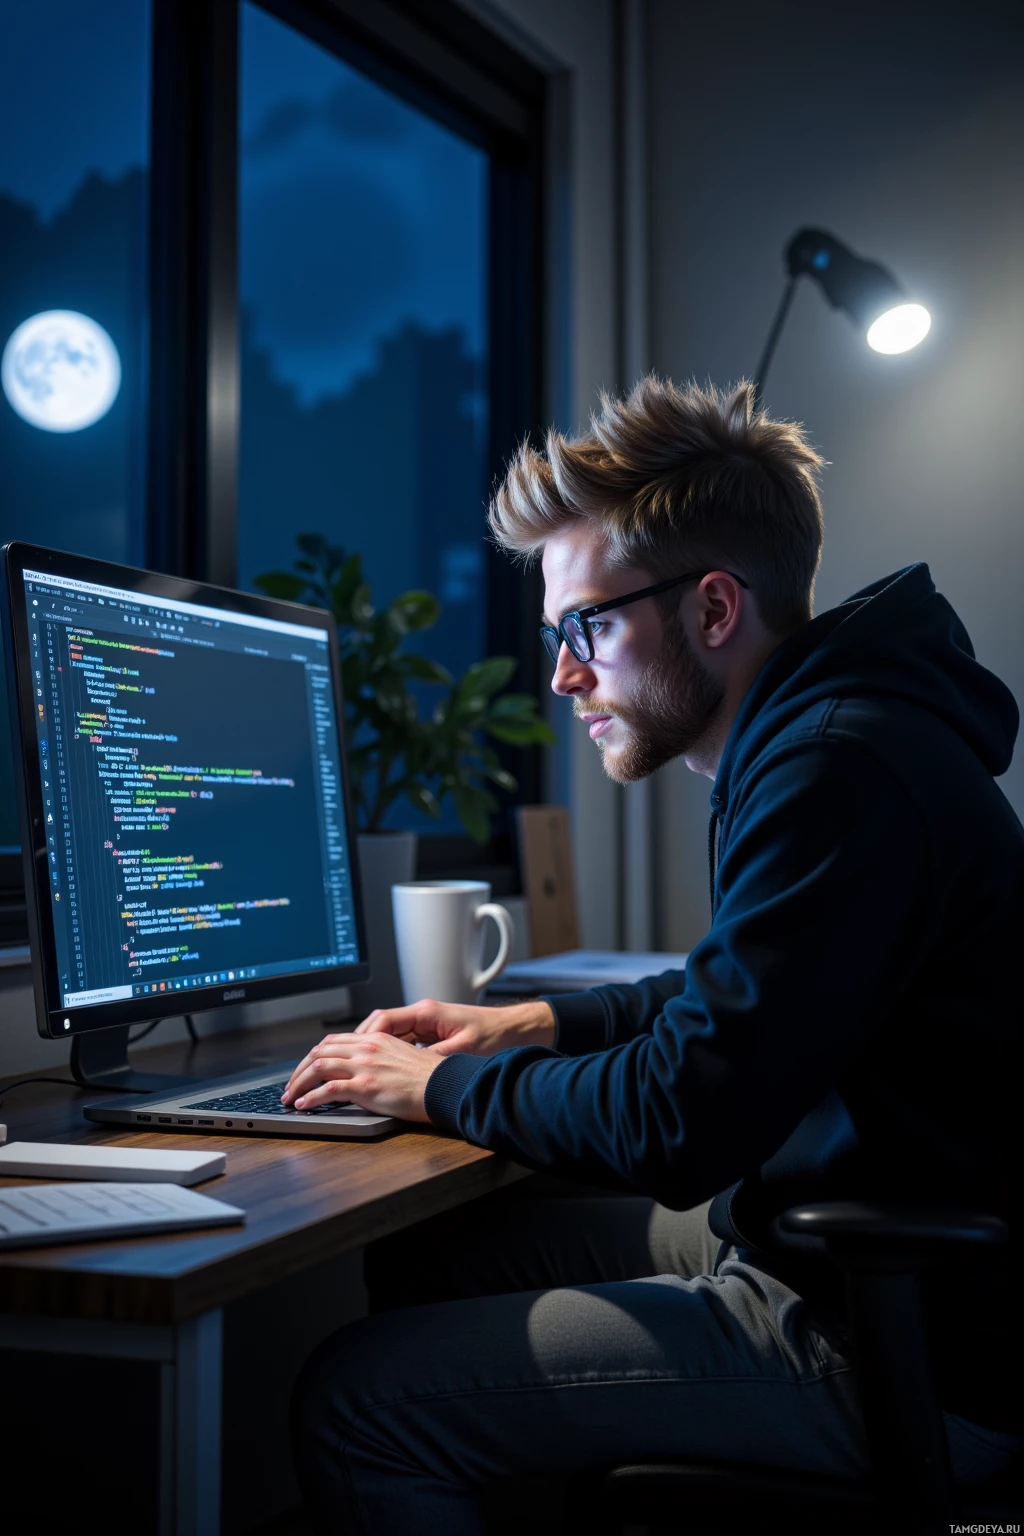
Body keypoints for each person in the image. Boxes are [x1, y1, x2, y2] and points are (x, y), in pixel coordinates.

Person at [284, 378, 1022, 1534]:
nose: (563, 675)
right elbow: (748, 996)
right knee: (448, 1252)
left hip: (918, 1343)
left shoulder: (837, 768)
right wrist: (535, 1023)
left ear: (714, 608)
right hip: (852, 1247)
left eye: (587, 628)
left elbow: (677, 1120)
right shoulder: (838, 733)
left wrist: (441, 1086)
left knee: (356, 1401)